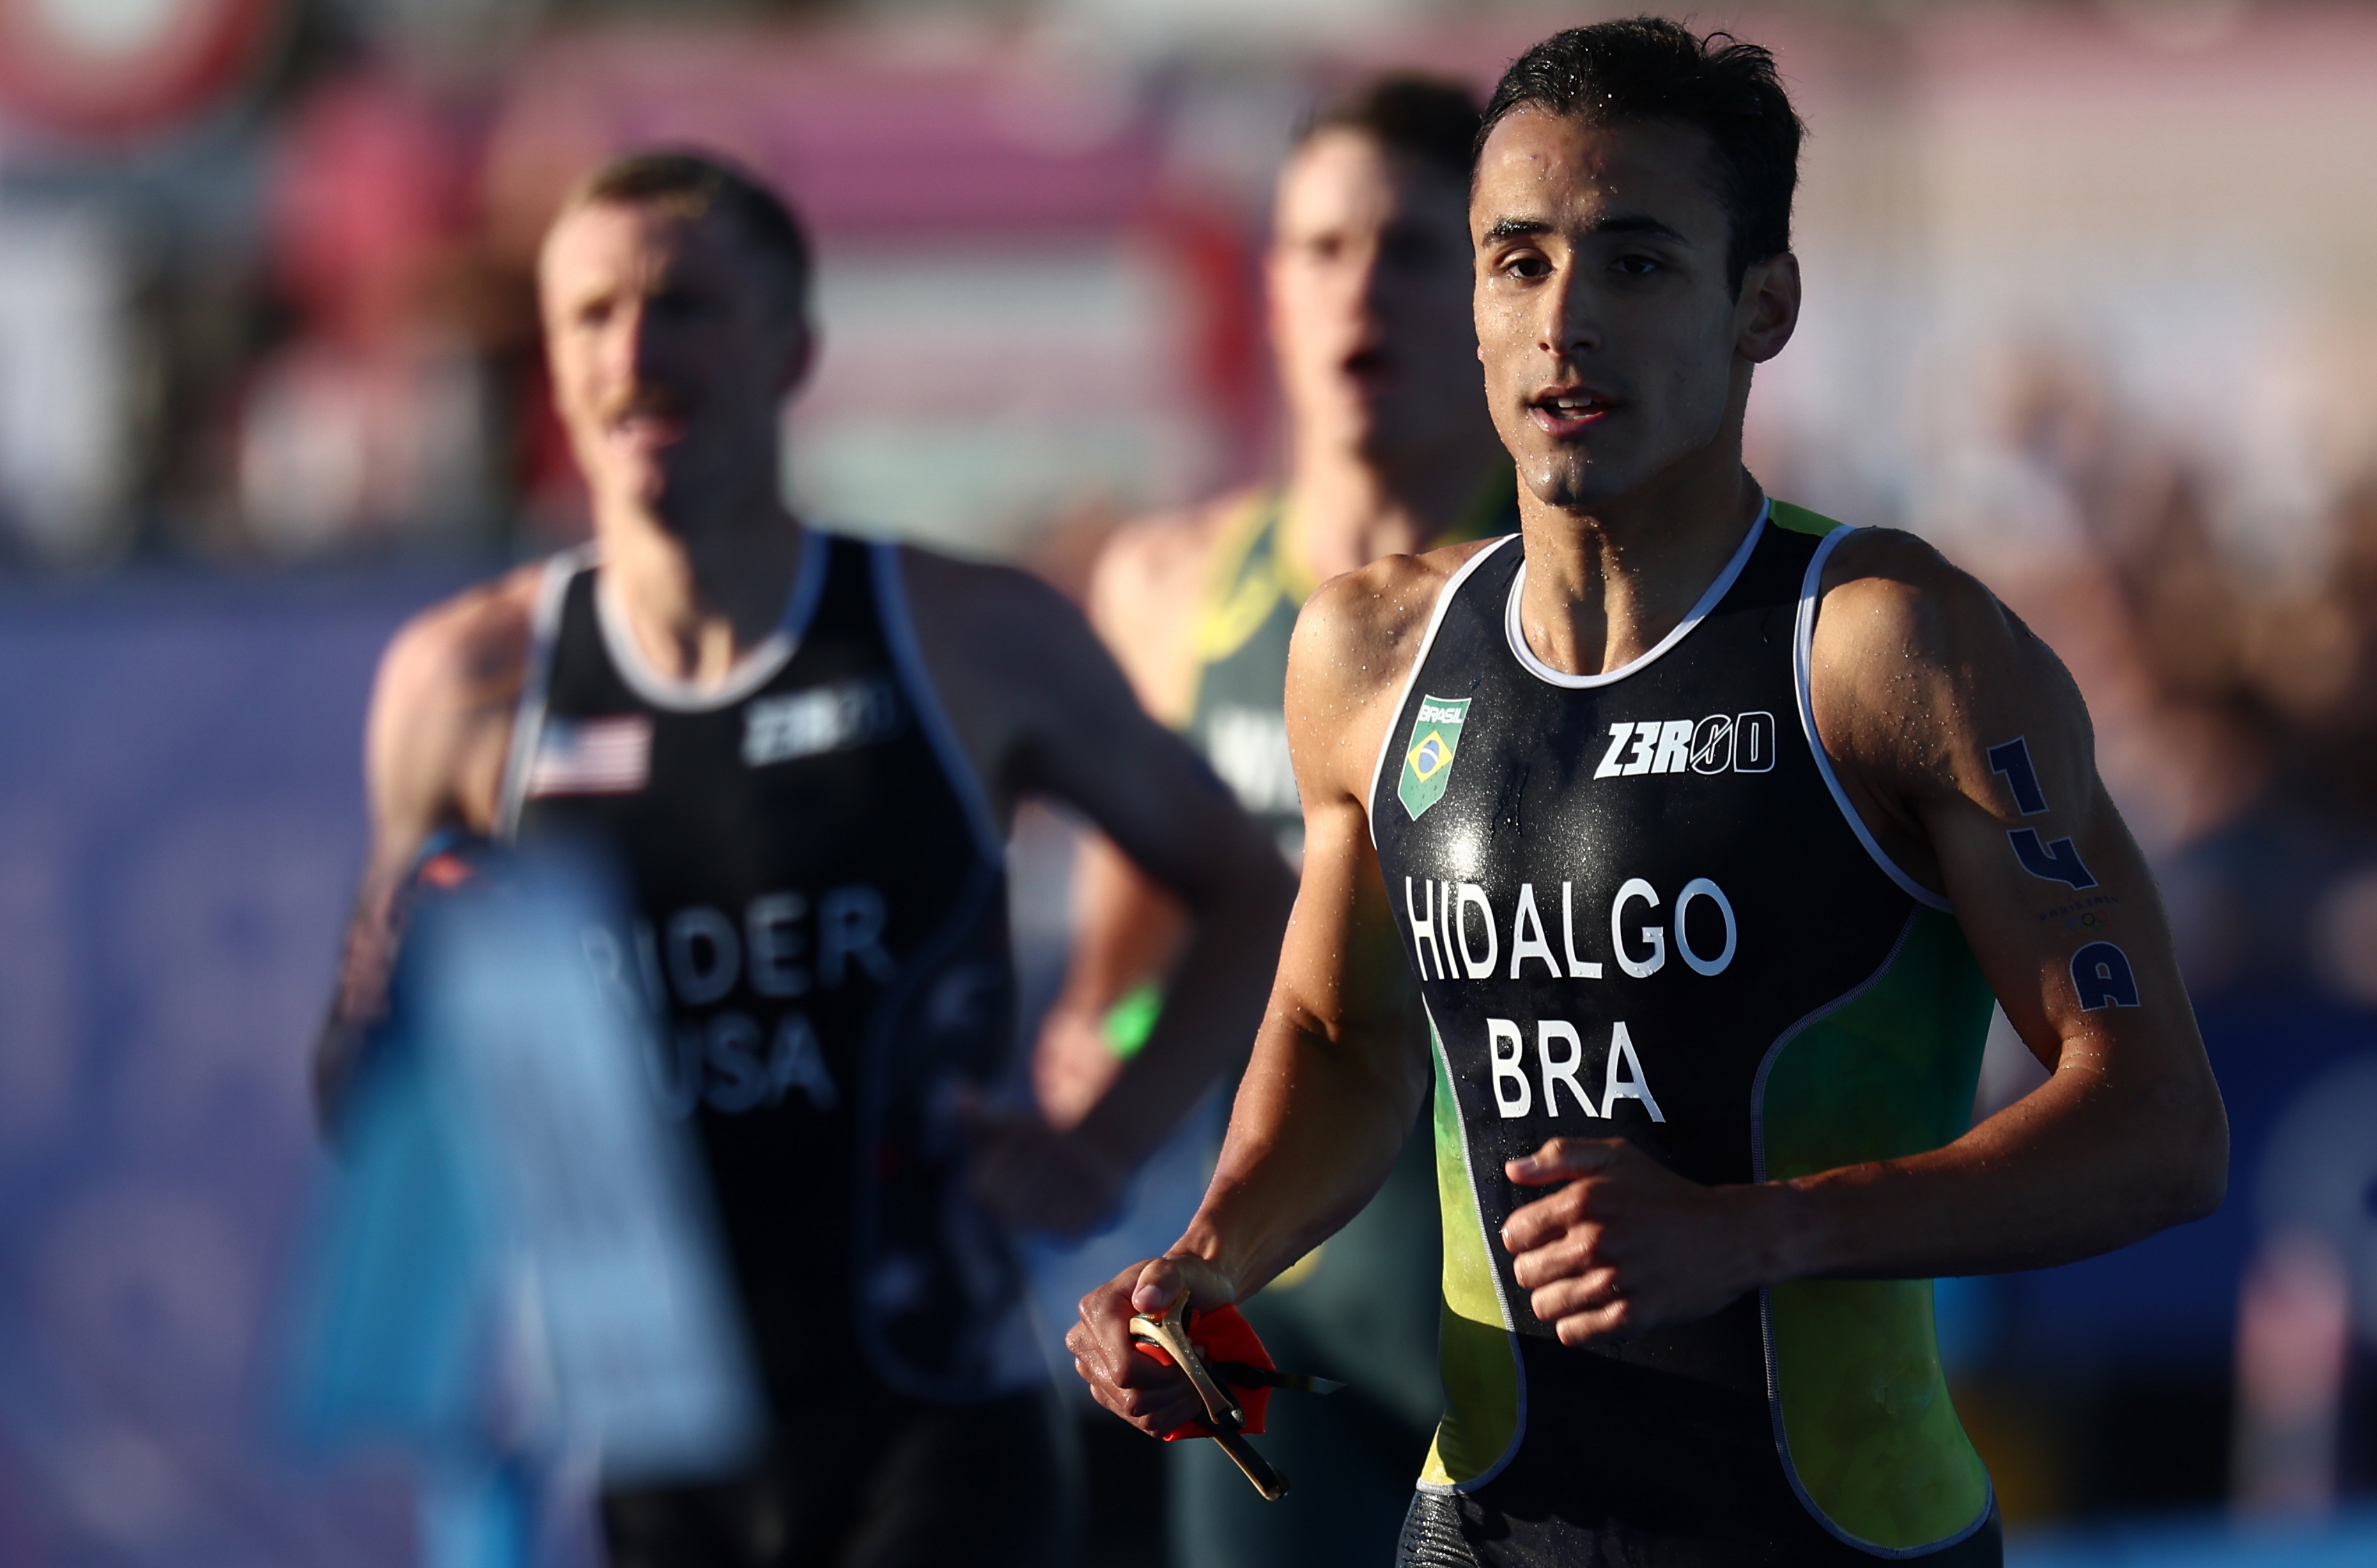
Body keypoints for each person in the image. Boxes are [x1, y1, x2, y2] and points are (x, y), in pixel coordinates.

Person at [1068, 20, 2229, 1568]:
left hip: (1824, 1532)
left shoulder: (1891, 648)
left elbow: (2157, 1128)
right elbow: (1344, 1044)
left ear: (1763, 306)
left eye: (1634, 264)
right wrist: (1205, 1261)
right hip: (1480, 1527)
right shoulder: (1367, 653)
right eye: (1518, 261)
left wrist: (1754, 1231)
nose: (1564, 324)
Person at [314, 149, 1296, 1568]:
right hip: (629, 1446)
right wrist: (385, 1017)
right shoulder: (469, 684)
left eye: (684, 307)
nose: (636, 354)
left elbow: (1248, 886)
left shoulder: (964, 635)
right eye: (591, 315)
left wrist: (1103, 1145)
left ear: (793, 348)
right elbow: (366, 1104)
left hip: (929, 1422)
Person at [1030, 75, 1510, 1568]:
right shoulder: (1173, 586)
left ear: (1503, 291)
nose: (1360, 289)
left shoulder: (1583, 592)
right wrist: (1088, 1069)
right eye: (1320, 247)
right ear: (1270, 290)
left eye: (1415, 250)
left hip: (1537, 1324)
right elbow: (1125, 970)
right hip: (1270, 1312)